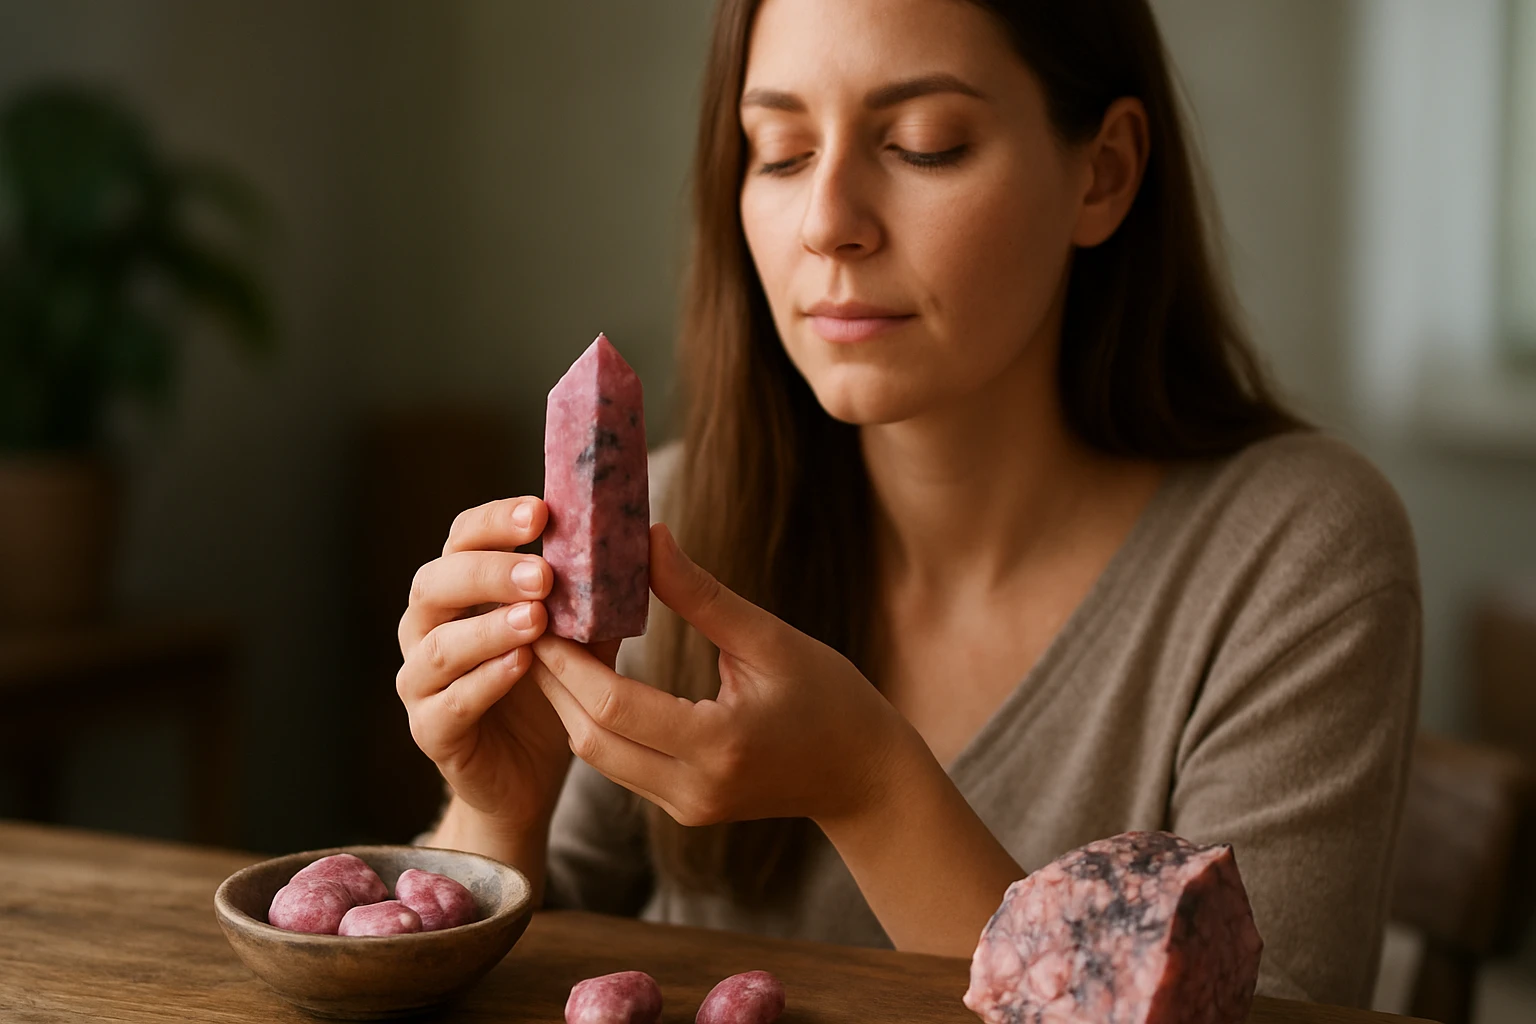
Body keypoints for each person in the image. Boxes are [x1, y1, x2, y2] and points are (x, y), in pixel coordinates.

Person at [394, 0, 1420, 1008]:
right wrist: (496, 814)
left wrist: (872, 790)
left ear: (1102, 172)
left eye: (925, 144)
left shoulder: (1296, 553)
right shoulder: (688, 515)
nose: (827, 222)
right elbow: (553, 946)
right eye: (783, 152)